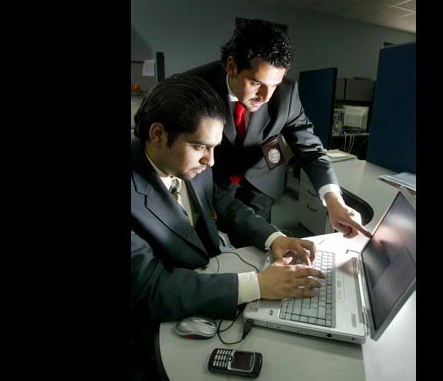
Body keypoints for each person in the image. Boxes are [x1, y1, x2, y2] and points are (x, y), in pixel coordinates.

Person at [131, 73, 325, 380]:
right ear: (157, 134)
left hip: (210, 278)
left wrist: (273, 237)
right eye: (200, 147)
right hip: (160, 323)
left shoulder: (188, 160)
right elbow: (151, 290)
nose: (210, 162)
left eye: (214, 148)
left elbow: (222, 202)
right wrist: (257, 285)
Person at [185, 18, 372, 238]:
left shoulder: (287, 93)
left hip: (262, 178)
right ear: (232, 67)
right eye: (256, 83)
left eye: (274, 85)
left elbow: (311, 150)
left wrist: (334, 200)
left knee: (259, 239)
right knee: (214, 239)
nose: (265, 97)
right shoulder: (194, 86)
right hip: (214, 179)